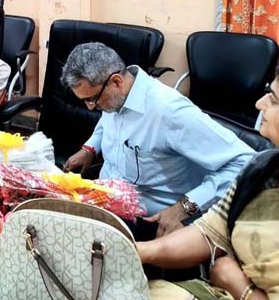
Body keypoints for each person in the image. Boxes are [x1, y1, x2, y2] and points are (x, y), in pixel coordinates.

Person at [61, 42, 254, 239]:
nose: (91, 107)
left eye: (92, 100)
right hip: (107, 198)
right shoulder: (115, 98)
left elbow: (245, 163)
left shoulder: (169, 112)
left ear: (116, 82)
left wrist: (185, 207)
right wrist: (90, 148)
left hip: (149, 217)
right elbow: (109, 120)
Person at [138, 72, 279, 300]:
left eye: (273, 99)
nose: (259, 104)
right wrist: (137, 250)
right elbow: (208, 233)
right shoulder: (263, 169)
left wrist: (240, 287)